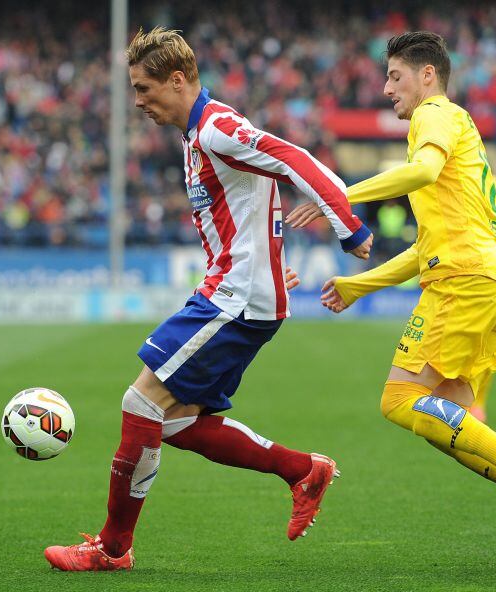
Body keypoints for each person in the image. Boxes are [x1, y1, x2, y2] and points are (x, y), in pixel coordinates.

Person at [44, 26, 373, 572]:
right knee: (173, 422)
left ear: (178, 81)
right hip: (239, 290)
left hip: (235, 297)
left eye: (144, 89)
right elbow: (253, 202)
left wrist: (350, 227)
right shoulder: (196, 134)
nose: (139, 102)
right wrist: (267, 266)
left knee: (140, 403)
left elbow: (291, 157)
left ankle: (112, 548)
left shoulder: (218, 128)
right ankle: (301, 470)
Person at [287, 31, 496, 571]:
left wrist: (336, 195)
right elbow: (426, 247)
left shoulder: (436, 115)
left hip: (465, 281)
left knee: (399, 401)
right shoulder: (454, 131)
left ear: (428, 75)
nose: (385, 89)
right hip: (495, 282)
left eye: (395, 76)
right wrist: (359, 285)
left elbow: (421, 173)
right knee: (445, 421)